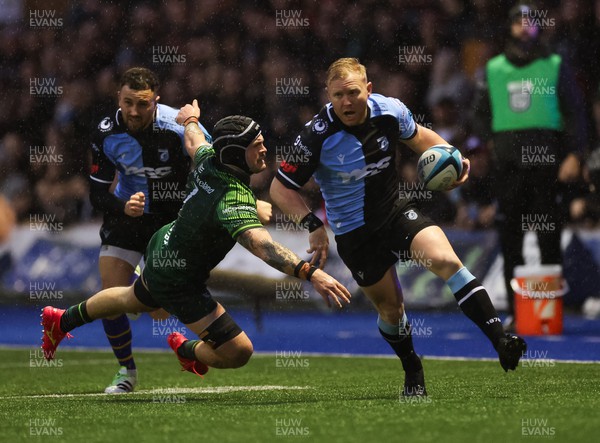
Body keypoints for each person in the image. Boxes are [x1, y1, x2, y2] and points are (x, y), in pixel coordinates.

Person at [270, 57, 527, 396]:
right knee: (392, 312)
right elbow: (279, 188)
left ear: (369, 90)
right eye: (337, 95)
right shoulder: (316, 136)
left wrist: (452, 156)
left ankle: (501, 339)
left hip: (394, 211)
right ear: (328, 96)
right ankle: (412, 368)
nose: (346, 102)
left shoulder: (389, 111)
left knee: (448, 262)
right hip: (354, 233)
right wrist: (313, 224)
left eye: (353, 93)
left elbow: (421, 138)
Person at [41, 107, 351, 380]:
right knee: (239, 351)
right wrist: (312, 274)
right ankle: (188, 350)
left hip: (163, 248)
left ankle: (61, 319)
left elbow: (194, 141)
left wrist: (190, 118)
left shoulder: (208, 161)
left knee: (130, 298)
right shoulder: (234, 199)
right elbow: (263, 247)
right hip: (180, 281)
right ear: (234, 153)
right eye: (257, 146)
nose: (265, 151)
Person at [88, 67, 271, 393]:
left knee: (157, 312)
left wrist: (251, 203)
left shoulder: (177, 125)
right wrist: (123, 206)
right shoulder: (104, 133)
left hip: (172, 221)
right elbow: (97, 192)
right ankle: (126, 372)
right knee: (110, 289)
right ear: (118, 97)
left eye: (142, 104)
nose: (133, 111)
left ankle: (170, 329)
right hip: (127, 215)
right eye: (128, 102)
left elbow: (221, 164)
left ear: (155, 101)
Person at [472, 4, 587, 331]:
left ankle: (547, 313)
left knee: (549, 235)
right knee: (510, 238)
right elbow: (478, 113)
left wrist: (575, 155)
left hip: (547, 167)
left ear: (538, 28)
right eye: (518, 22)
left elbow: (575, 111)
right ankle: (516, 313)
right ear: (509, 28)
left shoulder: (553, 64)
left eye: (530, 22)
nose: (524, 27)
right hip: (507, 168)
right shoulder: (493, 69)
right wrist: (489, 141)